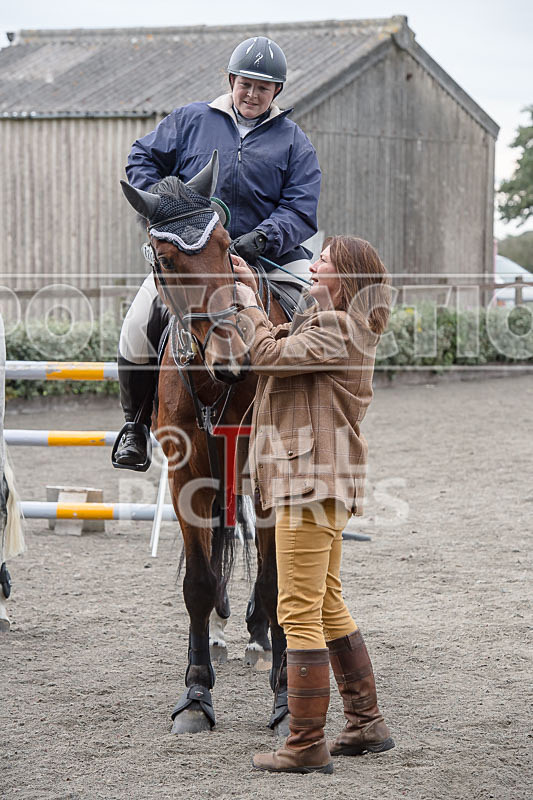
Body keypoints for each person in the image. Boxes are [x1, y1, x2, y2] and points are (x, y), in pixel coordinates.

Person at [113, 35, 321, 469]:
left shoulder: (293, 140)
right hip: (194, 254)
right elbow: (142, 157)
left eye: (263, 87)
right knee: (137, 324)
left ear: (276, 92)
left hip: (270, 256)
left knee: (312, 316)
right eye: (245, 84)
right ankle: (134, 426)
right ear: (231, 80)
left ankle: (310, 426)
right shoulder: (192, 119)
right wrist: (168, 207)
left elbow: (301, 208)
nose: (252, 94)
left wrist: (263, 238)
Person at [231, 235, 394, 774]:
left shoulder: (339, 328)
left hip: (309, 481)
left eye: (322, 260)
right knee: (324, 603)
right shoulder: (329, 325)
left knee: (296, 609)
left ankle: (304, 744)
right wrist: (259, 293)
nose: (313, 262)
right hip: (323, 484)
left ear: (342, 277)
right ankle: (366, 722)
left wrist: (250, 304)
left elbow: (265, 353)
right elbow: (284, 340)